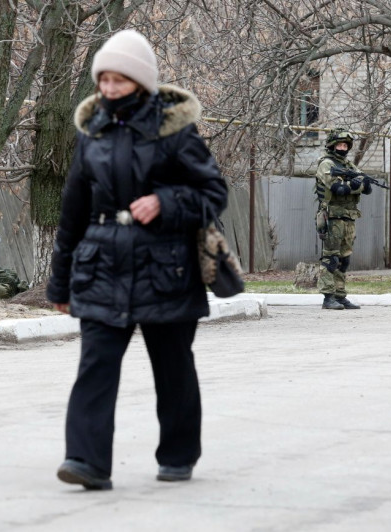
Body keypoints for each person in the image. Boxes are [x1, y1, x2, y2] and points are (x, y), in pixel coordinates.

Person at [46, 29, 228, 490]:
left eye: (118, 81)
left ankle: (178, 454)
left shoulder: (175, 131)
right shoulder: (92, 133)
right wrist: (60, 282)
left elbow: (213, 192)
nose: (108, 89)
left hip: (166, 268)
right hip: (101, 264)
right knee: (95, 366)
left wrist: (166, 203)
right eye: (102, 80)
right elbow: (72, 213)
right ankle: (85, 460)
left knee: (173, 369)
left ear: (141, 83)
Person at [314, 128, 372, 310]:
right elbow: (338, 189)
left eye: (345, 145)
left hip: (348, 217)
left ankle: (340, 295)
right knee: (330, 258)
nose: (342, 147)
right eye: (339, 144)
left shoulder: (348, 166)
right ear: (332, 145)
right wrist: (355, 185)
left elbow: (367, 186)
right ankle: (328, 297)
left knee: (344, 259)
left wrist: (357, 183)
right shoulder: (326, 164)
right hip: (331, 216)